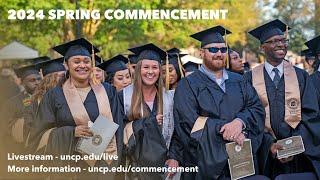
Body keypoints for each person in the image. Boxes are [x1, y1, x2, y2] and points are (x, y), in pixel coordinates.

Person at [173, 25, 266, 179]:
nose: (219, 54)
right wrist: (226, 130)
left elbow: (256, 108)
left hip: (241, 161)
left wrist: (240, 122)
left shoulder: (239, 80)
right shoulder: (187, 85)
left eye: (223, 49)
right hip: (207, 165)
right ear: (201, 52)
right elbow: (187, 122)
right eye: (213, 50)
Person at [29, 38, 124, 179]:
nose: (82, 65)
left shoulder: (108, 91)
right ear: (66, 65)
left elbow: (118, 129)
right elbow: (38, 136)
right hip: (68, 169)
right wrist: (71, 132)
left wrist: (114, 166)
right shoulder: (54, 96)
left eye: (86, 61)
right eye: (76, 61)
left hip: (102, 168)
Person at [246, 19, 320, 179]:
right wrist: (269, 145)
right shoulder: (249, 78)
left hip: (298, 154)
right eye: (273, 41)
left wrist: (293, 146)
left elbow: (311, 114)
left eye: (283, 40)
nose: (280, 44)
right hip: (264, 153)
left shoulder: (301, 76)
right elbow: (248, 116)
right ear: (262, 47)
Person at [121, 43, 178, 180]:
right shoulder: (123, 96)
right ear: (139, 69)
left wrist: (174, 157)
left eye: (155, 67)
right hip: (133, 168)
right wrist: (145, 123)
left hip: (164, 167)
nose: (150, 72)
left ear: (160, 70)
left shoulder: (170, 98)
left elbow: (178, 132)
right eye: (146, 67)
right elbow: (117, 130)